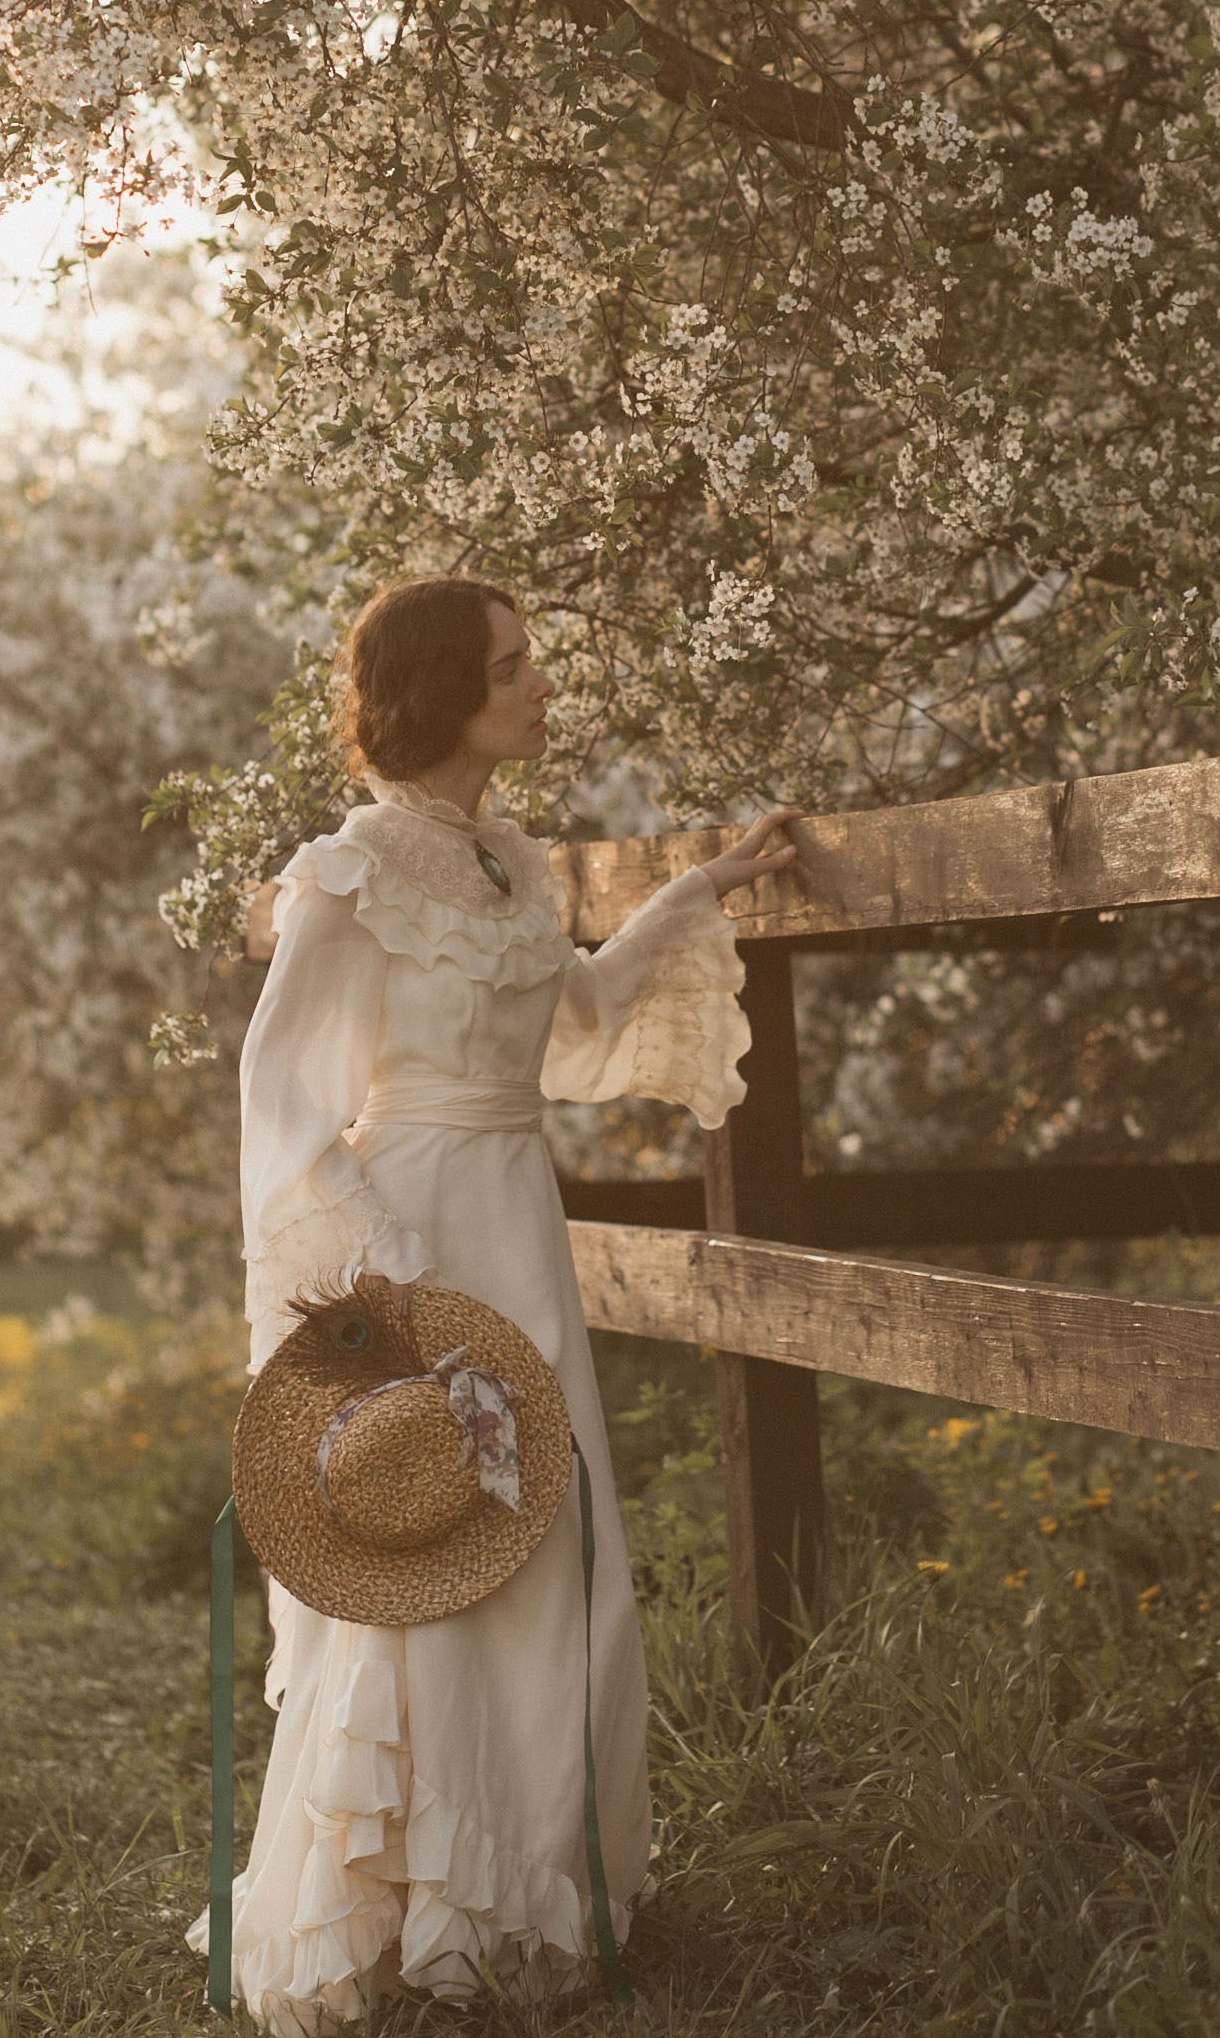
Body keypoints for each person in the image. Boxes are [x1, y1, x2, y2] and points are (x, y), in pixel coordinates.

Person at [196, 575, 798, 2028]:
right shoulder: (349, 874)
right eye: (515, 667)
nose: (540, 687)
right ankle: (408, 1918)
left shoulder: (511, 866)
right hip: (419, 1245)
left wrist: (699, 893)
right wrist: (381, 1277)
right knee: (425, 1553)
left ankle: (533, 1905)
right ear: (444, 690)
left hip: (519, 1229)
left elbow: (575, 1021)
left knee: (555, 1557)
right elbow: (280, 1099)